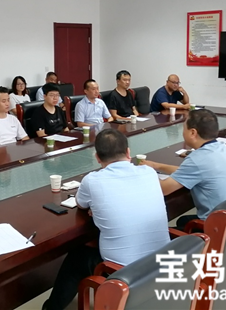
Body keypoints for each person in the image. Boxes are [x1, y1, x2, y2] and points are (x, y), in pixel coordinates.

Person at [42, 129, 170, 310]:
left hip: (125, 273)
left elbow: (81, 204)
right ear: (128, 152)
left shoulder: (92, 181)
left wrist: (97, 207)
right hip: (161, 265)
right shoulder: (149, 172)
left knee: (78, 255)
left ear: (97, 158)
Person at [142, 109, 226, 230]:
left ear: (193, 132)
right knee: (183, 221)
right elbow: (188, 172)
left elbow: (164, 189)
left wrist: (143, 172)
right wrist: (156, 166)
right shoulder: (221, 147)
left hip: (219, 229)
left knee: (162, 231)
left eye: (184, 128)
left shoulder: (198, 159)